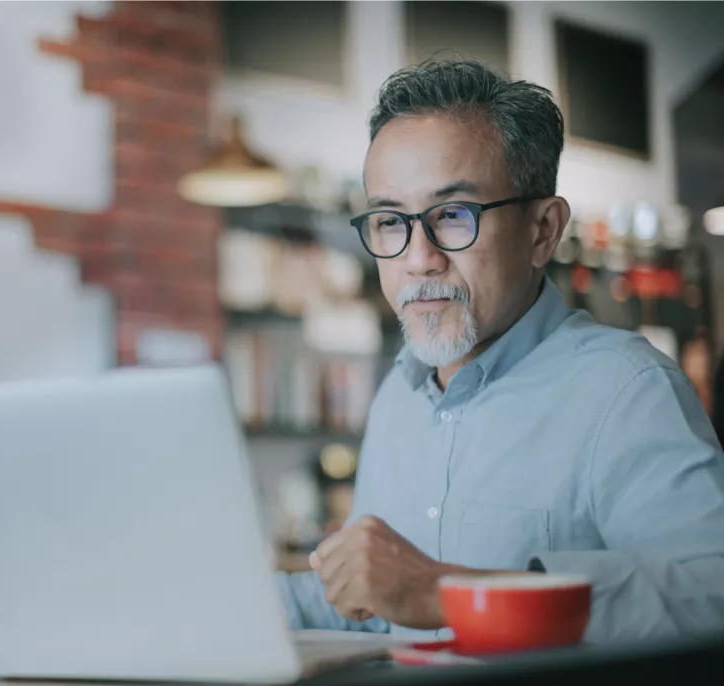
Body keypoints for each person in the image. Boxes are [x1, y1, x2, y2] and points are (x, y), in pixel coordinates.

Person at [276, 60, 724, 643]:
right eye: (390, 221)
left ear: (543, 230)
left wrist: (448, 594)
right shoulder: (397, 397)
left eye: (454, 215)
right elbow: (371, 604)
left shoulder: (627, 392)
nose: (418, 259)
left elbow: (712, 599)